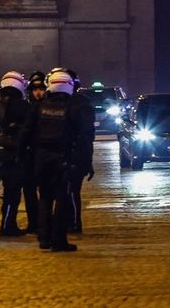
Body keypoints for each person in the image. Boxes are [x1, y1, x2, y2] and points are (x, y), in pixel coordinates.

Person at [22, 69, 88, 252]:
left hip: (42, 159)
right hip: (63, 159)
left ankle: (44, 238)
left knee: (44, 197)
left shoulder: (39, 107)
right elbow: (83, 137)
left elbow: (26, 133)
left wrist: (22, 155)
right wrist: (85, 162)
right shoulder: (73, 108)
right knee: (62, 199)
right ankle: (58, 240)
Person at [0, 71, 32, 236]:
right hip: (14, 154)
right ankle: (7, 225)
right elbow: (29, 130)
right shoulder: (24, 106)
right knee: (12, 191)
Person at [63, 69, 95, 234]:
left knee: (72, 190)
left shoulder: (79, 103)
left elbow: (86, 134)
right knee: (67, 191)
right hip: (68, 154)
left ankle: (74, 223)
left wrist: (87, 160)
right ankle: (69, 223)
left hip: (74, 154)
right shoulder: (75, 102)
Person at [20, 72, 46, 234]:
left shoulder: (48, 107)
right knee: (29, 191)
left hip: (43, 154)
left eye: (41, 89)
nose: (38, 93)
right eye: (35, 90)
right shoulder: (25, 108)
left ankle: (44, 223)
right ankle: (33, 223)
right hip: (29, 155)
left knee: (45, 192)